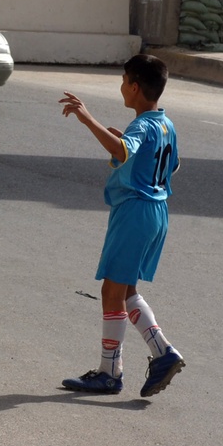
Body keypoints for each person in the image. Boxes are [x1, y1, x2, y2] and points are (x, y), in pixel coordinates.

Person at [57, 54, 184, 397]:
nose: (121, 86)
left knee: (111, 292)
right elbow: (171, 167)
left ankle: (110, 372)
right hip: (157, 213)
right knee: (126, 291)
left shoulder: (141, 125)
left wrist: (87, 119)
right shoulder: (165, 124)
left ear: (135, 86)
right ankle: (162, 353)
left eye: (124, 80)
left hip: (134, 212)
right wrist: (121, 144)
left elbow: (124, 152)